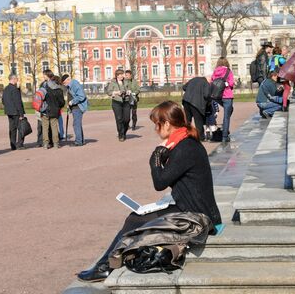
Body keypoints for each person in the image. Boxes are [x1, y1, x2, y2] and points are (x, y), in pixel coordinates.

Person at [76, 101, 222, 282]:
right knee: (138, 217)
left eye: (157, 124)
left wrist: (155, 158)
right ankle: (106, 264)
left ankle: (105, 266)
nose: (155, 129)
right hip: (192, 208)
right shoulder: (185, 142)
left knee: (135, 219)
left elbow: (159, 182)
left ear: (167, 124)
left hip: (198, 217)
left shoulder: (185, 148)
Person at [211, 57, 235, 145]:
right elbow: (231, 83)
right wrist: (227, 84)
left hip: (217, 96)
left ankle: (224, 129)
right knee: (226, 116)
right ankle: (225, 137)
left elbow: (212, 82)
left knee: (228, 112)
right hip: (227, 95)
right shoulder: (228, 71)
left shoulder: (215, 71)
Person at [61, 74, 89, 146]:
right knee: (77, 124)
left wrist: (72, 102)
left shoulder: (74, 84)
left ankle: (78, 141)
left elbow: (81, 96)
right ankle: (81, 140)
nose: (64, 84)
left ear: (68, 79)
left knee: (76, 124)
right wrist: (69, 104)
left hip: (78, 107)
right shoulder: (70, 86)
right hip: (74, 107)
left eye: (64, 82)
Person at [41, 70, 65, 149]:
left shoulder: (43, 86)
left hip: (45, 109)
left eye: (44, 75)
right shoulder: (57, 87)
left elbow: (39, 98)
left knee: (45, 128)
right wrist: (59, 107)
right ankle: (56, 143)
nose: (43, 76)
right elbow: (61, 101)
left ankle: (45, 144)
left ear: (47, 76)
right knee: (54, 127)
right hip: (55, 110)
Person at [106, 69, 131, 141]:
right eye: (120, 75)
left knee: (127, 119)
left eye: (122, 74)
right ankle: (121, 135)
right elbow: (109, 92)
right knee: (119, 119)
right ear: (117, 75)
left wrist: (128, 91)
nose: (122, 76)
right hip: (116, 102)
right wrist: (116, 92)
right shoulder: (112, 83)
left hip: (126, 101)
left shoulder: (126, 81)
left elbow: (129, 88)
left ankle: (124, 132)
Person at [2, 74, 26, 150]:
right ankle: (20, 144)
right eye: (16, 79)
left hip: (9, 111)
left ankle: (13, 144)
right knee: (21, 128)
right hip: (16, 112)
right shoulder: (14, 89)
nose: (17, 80)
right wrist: (21, 113)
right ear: (13, 79)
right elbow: (18, 102)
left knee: (12, 128)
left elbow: (3, 100)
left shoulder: (5, 89)